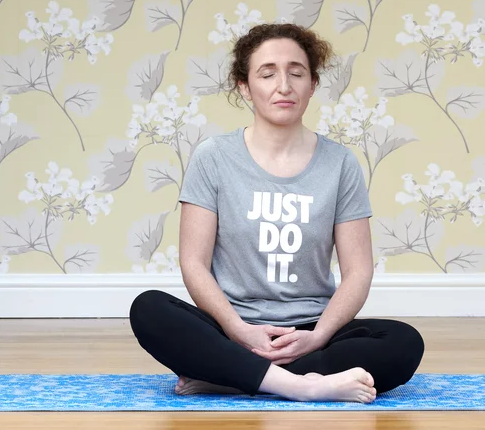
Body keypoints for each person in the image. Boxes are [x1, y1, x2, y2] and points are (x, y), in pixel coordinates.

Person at [129, 23, 424, 403]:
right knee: (149, 309)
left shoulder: (340, 163)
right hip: (232, 330)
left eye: (296, 73)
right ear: (244, 86)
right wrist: (237, 330)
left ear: (313, 84)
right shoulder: (213, 158)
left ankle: (229, 377)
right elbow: (193, 264)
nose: (283, 85)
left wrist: (317, 336)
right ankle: (302, 386)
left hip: (312, 332)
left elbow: (358, 272)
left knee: (403, 343)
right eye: (267, 74)